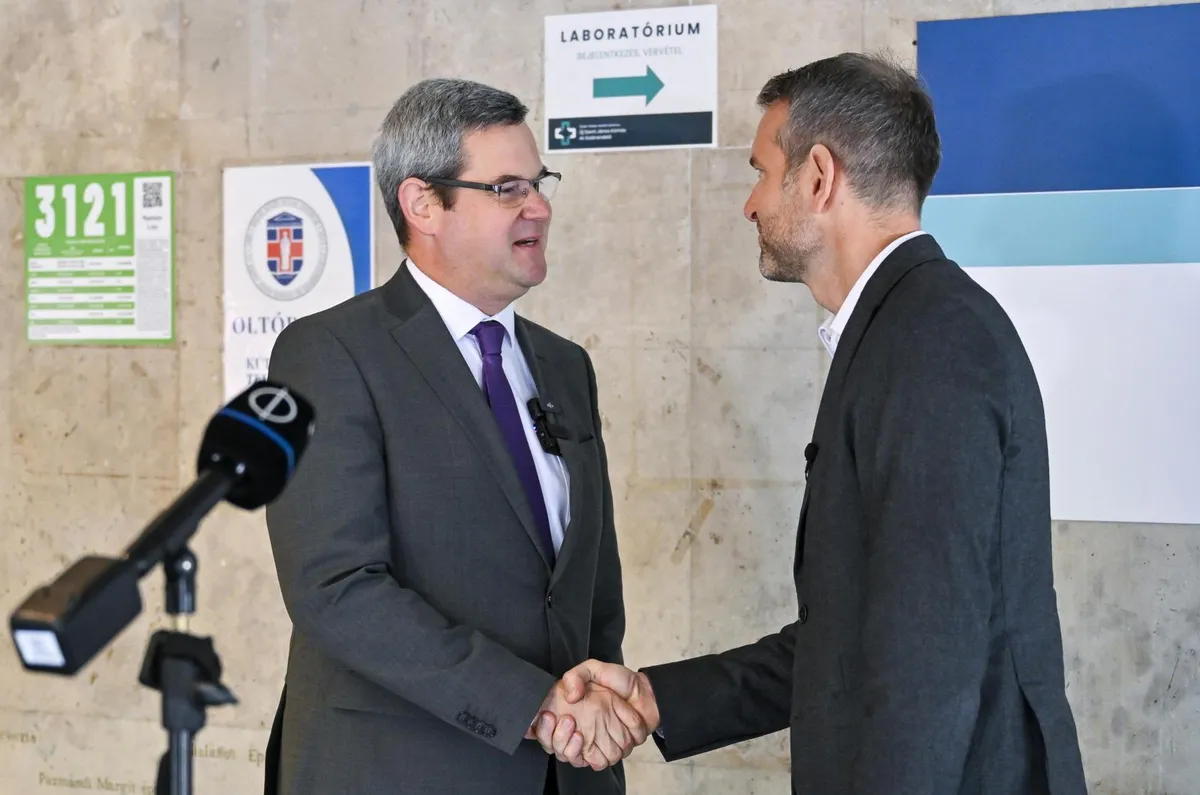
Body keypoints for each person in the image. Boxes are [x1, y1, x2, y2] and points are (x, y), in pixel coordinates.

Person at [535, 52, 1090, 795]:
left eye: (763, 173)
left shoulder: (930, 344)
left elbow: (928, 661)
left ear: (820, 176)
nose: (750, 204)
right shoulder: (902, 328)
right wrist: (655, 698)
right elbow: (854, 639)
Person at [260, 77, 646, 795]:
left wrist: (592, 708)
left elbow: (591, 585)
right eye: (506, 189)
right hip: (398, 772)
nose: (539, 207)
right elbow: (335, 588)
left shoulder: (566, 365)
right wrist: (530, 705)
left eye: (539, 183)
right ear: (423, 204)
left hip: (568, 773)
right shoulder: (329, 354)